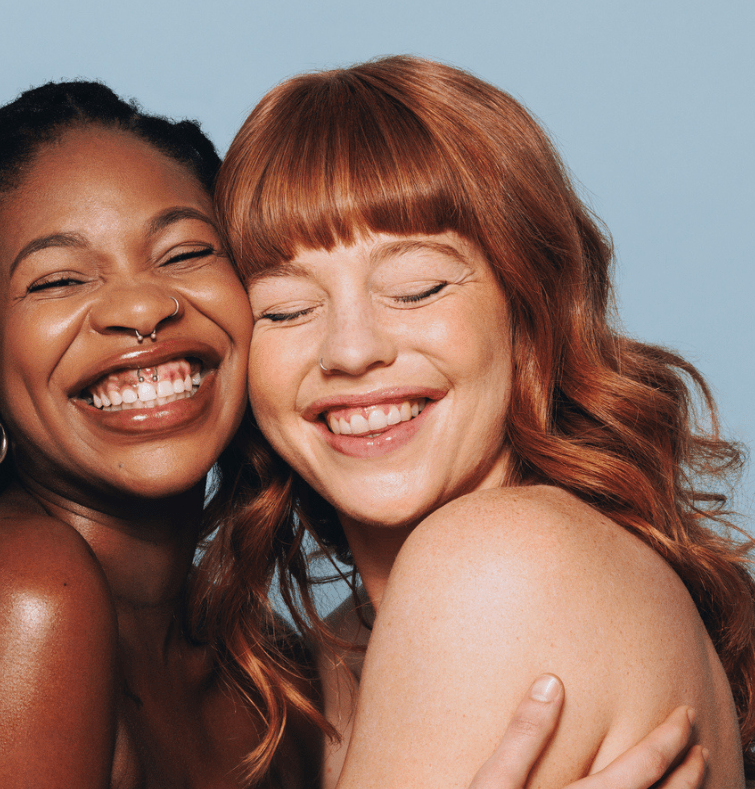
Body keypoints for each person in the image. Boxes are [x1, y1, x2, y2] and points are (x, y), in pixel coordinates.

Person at [0, 81, 706, 789]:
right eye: (289, 306)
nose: (141, 308)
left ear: (530, 312)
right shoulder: (31, 596)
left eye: (187, 254)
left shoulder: (314, 649)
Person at [204, 55, 750, 787]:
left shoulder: (491, 564)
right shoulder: (346, 640)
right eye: (287, 309)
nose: (352, 349)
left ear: (528, 308)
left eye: (415, 287)